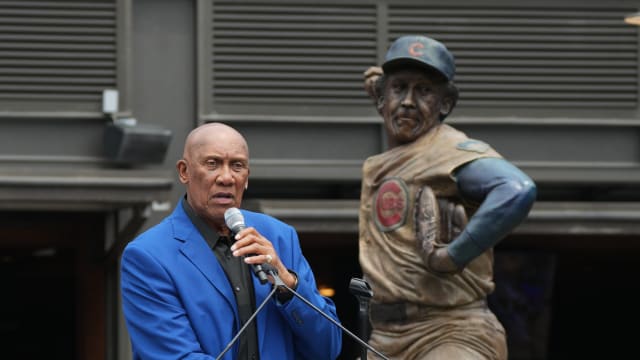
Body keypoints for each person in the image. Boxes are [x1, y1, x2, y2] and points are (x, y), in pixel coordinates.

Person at [358, 35, 537, 359]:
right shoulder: (401, 149)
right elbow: (397, 102)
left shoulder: (448, 150)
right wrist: (380, 86)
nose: (409, 101)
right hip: (385, 336)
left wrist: (452, 255)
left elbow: (517, 190)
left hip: (451, 331)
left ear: (445, 104)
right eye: (399, 88)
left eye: (424, 90)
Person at [120, 122, 343, 360]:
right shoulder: (148, 255)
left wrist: (288, 285)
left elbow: (328, 348)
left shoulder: (279, 237)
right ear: (184, 171)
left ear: (246, 178)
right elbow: (177, 357)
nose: (226, 178)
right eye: (212, 164)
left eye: (237, 166)